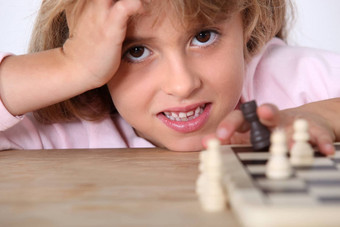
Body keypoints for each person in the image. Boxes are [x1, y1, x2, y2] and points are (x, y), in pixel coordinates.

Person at [0, 0, 339, 154]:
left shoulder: (292, 79)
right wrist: (70, 66)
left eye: (203, 36)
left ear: (248, 21)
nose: (182, 84)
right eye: (135, 51)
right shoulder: (65, 131)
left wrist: (322, 116)